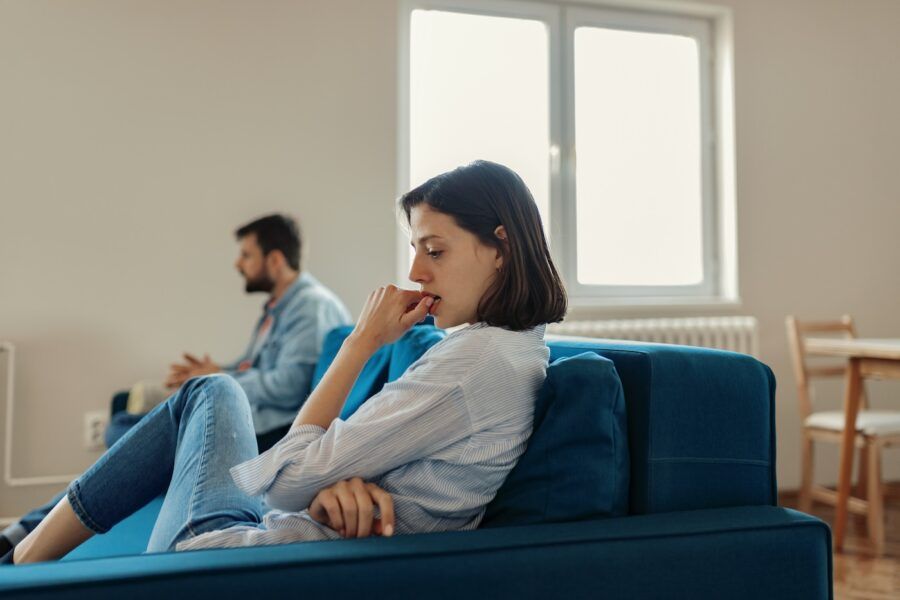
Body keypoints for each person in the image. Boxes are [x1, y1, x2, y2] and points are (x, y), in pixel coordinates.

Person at [6, 160, 567, 565]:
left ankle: (25, 555)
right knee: (201, 392)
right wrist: (329, 488)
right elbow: (310, 481)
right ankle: (24, 542)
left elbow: (284, 484)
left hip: (215, 558)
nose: (417, 272)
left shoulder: (476, 364)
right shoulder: (506, 348)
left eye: (434, 250)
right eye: (416, 250)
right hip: (273, 533)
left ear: (502, 246)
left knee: (213, 392)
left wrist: (360, 345)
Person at [0, 214, 352, 559]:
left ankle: (22, 536)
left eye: (246, 255)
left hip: (270, 436)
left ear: (274, 260)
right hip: (258, 422)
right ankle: (22, 532)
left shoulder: (311, 307)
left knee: (126, 431)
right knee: (127, 429)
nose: (237, 264)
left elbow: (290, 386)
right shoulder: (275, 310)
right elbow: (259, 370)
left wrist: (224, 379)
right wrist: (221, 369)